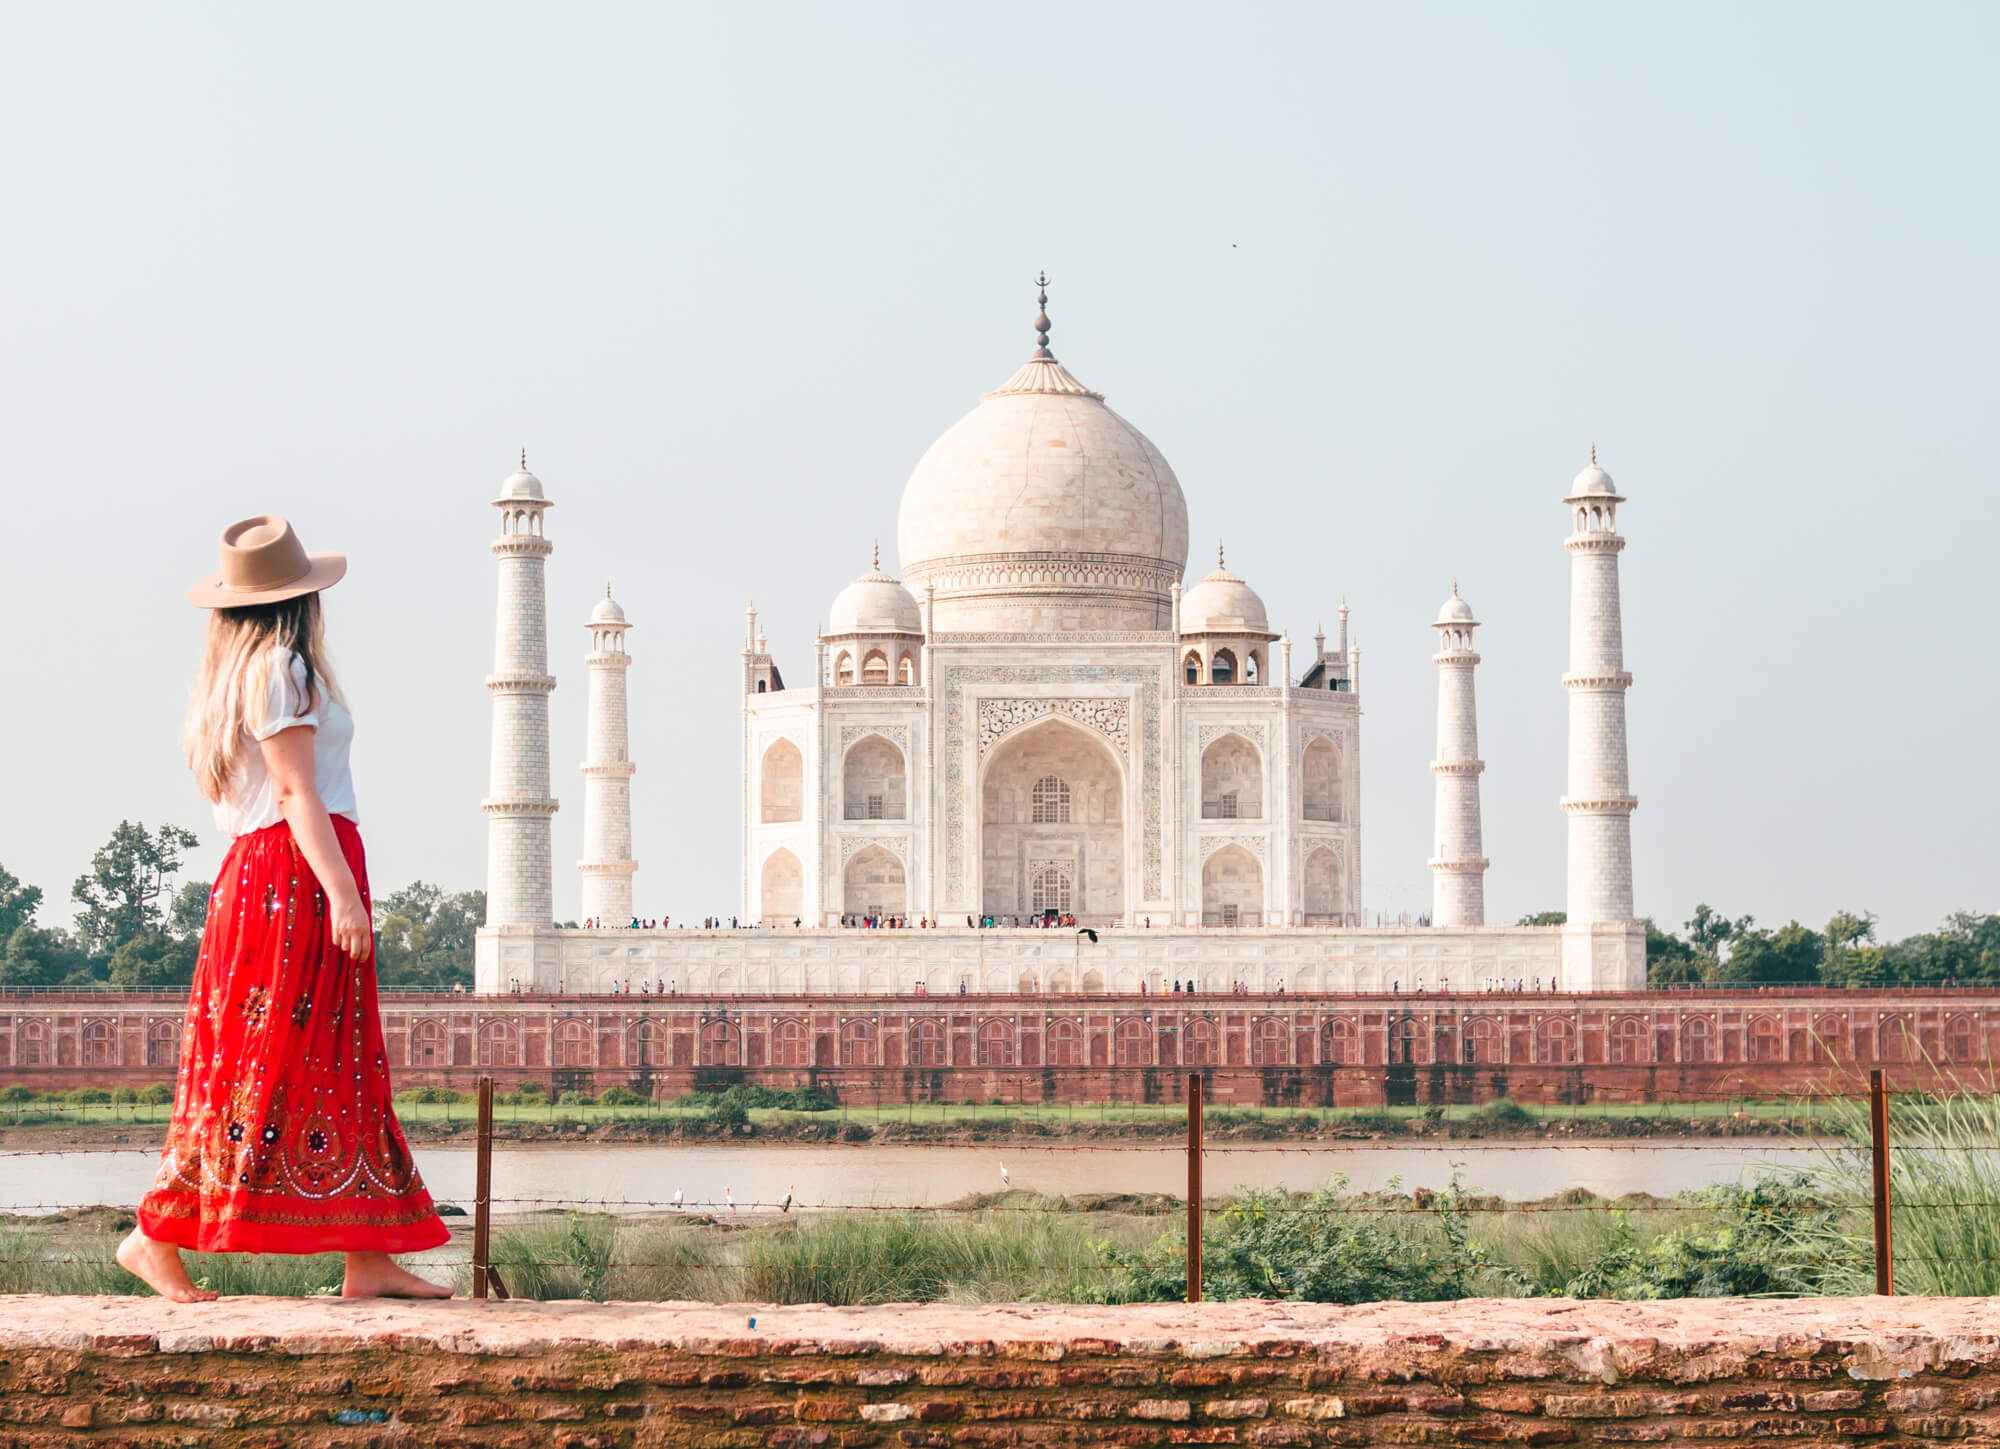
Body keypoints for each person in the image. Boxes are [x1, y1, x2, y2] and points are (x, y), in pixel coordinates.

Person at [121, 516, 449, 1304]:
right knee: (265, 1060)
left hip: (281, 870)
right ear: (298, 600)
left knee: (330, 1058)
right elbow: (298, 792)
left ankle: (367, 1254)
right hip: (295, 875)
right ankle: (153, 1236)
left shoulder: (249, 672)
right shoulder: (283, 667)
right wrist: (341, 894)